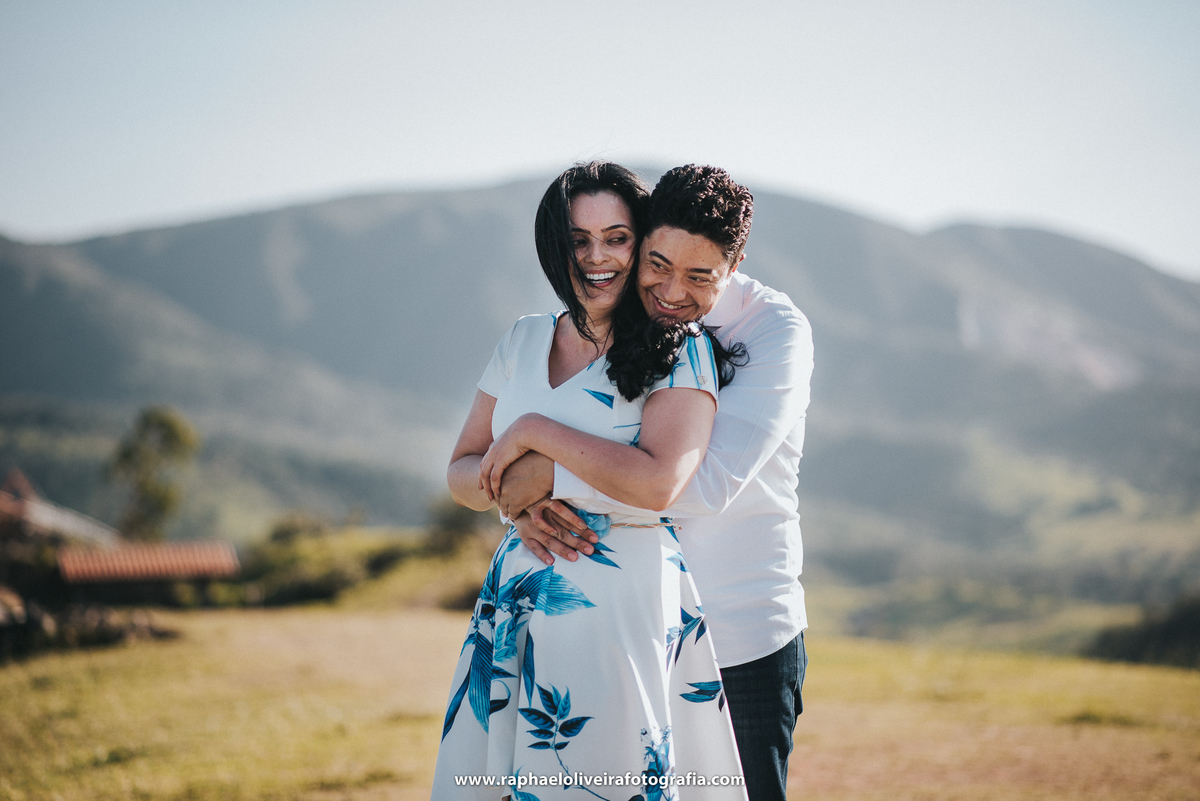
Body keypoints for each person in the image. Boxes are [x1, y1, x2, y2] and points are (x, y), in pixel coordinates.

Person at [432, 162, 749, 800]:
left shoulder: (677, 345)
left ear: (642, 242)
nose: (597, 257)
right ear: (556, 245)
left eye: (617, 237)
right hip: (516, 608)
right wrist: (518, 501)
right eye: (579, 240)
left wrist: (535, 434)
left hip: (620, 611)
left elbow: (661, 482)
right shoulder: (522, 340)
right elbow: (462, 473)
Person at [497, 165, 814, 801]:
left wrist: (546, 475)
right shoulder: (620, 324)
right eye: (657, 264)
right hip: (632, 629)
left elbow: (705, 483)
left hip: (737, 637)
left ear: (737, 260)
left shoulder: (776, 330)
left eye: (700, 277)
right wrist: (523, 504)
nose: (671, 292)